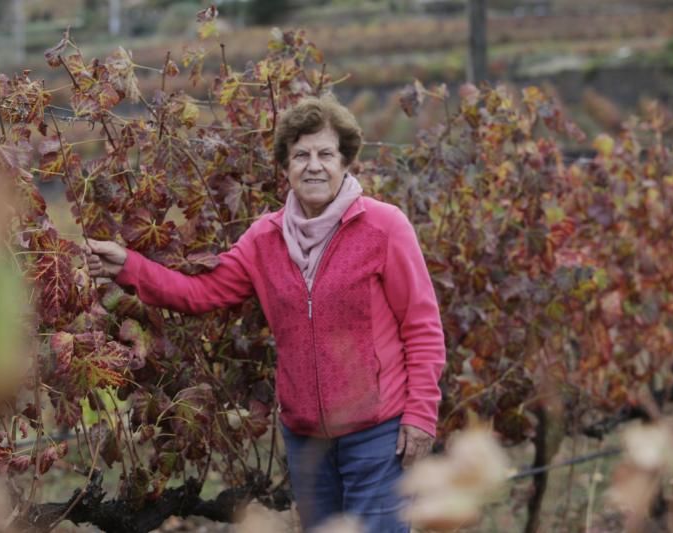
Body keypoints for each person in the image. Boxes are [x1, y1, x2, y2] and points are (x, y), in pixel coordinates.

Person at [86, 94, 445, 532]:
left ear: (346, 160)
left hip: (376, 433)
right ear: (286, 166)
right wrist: (128, 265)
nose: (314, 165)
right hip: (307, 440)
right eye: (301, 155)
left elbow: (422, 327)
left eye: (325, 154)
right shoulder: (265, 239)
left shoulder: (384, 227)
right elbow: (200, 292)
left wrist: (421, 414)